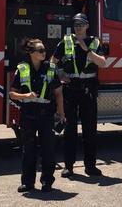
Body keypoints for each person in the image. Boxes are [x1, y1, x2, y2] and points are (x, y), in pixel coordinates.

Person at [51, 13, 107, 178]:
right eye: (76, 24)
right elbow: (53, 62)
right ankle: (68, 166)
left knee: (90, 130)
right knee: (70, 130)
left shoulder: (95, 42)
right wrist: (60, 75)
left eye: (81, 24)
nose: (78, 27)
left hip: (88, 90)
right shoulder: (66, 41)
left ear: (87, 25)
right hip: (71, 89)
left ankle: (90, 166)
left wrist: (87, 50)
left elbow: (103, 63)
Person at [9, 38, 65, 193]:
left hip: (46, 114)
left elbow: (59, 93)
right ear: (31, 53)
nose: (44, 53)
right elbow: (12, 94)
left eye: (44, 50)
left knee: (48, 149)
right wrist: (26, 95)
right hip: (28, 114)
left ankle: (47, 182)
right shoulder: (22, 68)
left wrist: (61, 114)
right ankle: (27, 183)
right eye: (40, 51)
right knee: (28, 149)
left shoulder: (51, 69)